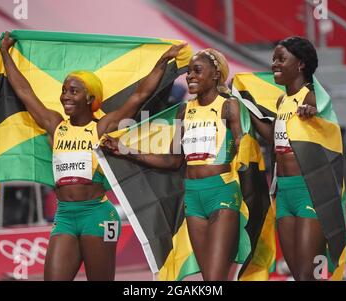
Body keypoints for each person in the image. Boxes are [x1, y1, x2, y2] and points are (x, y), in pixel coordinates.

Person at [0, 31, 186, 281]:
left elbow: (140, 95)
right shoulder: (55, 124)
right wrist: (5, 54)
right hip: (64, 215)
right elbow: (24, 92)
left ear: (90, 99)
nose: (65, 96)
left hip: (98, 216)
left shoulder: (102, 127)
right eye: (64, 90)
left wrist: (162, 61)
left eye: (73, 91)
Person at [104, 49, 244, 280]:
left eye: (197, 71)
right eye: (188, 72)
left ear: (216, 74)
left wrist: (243, 148)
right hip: (193, 197)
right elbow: (172, 160)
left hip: (222, 191)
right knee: (209, 279)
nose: (190, 76)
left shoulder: (228, 106)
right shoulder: (184, 110)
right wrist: (125, 149)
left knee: (217, 279)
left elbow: (242, 142)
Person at [248, 36, 325, 280]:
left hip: (308, 189)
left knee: (307, 275)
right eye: (273, 59)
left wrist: (314, 112)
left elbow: (328, 124)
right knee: (296, 272)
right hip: (283, 192)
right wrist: (247, 107)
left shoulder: (314, 97)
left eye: (281, 59)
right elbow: (274, 137)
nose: (274, 64)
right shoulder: (283, 101)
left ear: (300, 64)